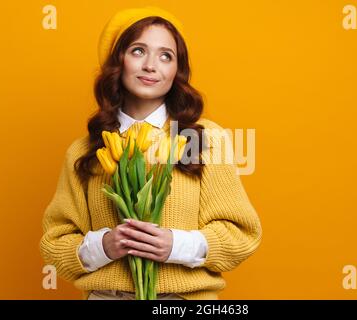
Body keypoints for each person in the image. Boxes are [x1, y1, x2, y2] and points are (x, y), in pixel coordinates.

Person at [39, 6, 262, 300]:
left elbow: (242, 233)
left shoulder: (202, 139)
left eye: (165, 56)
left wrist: (176, 245)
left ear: (175, 71)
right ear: (117, 61)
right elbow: (55, 242)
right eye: (138, 51)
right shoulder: (86, 150)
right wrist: (104, 246)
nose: (151, 65)